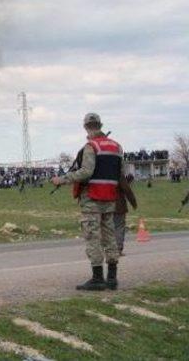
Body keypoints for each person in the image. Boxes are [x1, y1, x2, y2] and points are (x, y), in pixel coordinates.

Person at [51, 113, 124, 291]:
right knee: (109, 236)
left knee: (93, 236)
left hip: (92, 198)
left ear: (86, 127)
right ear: (100, 124)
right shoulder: (117, 147)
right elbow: (118, 172)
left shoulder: (91, 146)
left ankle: (98, 277)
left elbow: (86, 172)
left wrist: (62, 179)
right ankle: (112, 278)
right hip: (110, 197)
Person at [114, 174, 137, 255]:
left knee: (107, 228)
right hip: (118, 205)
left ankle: (107, 249)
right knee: (119, 227)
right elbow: (126, 189)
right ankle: (118, 249)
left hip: (104, 205)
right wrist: (133, 202)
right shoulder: (118, 173)